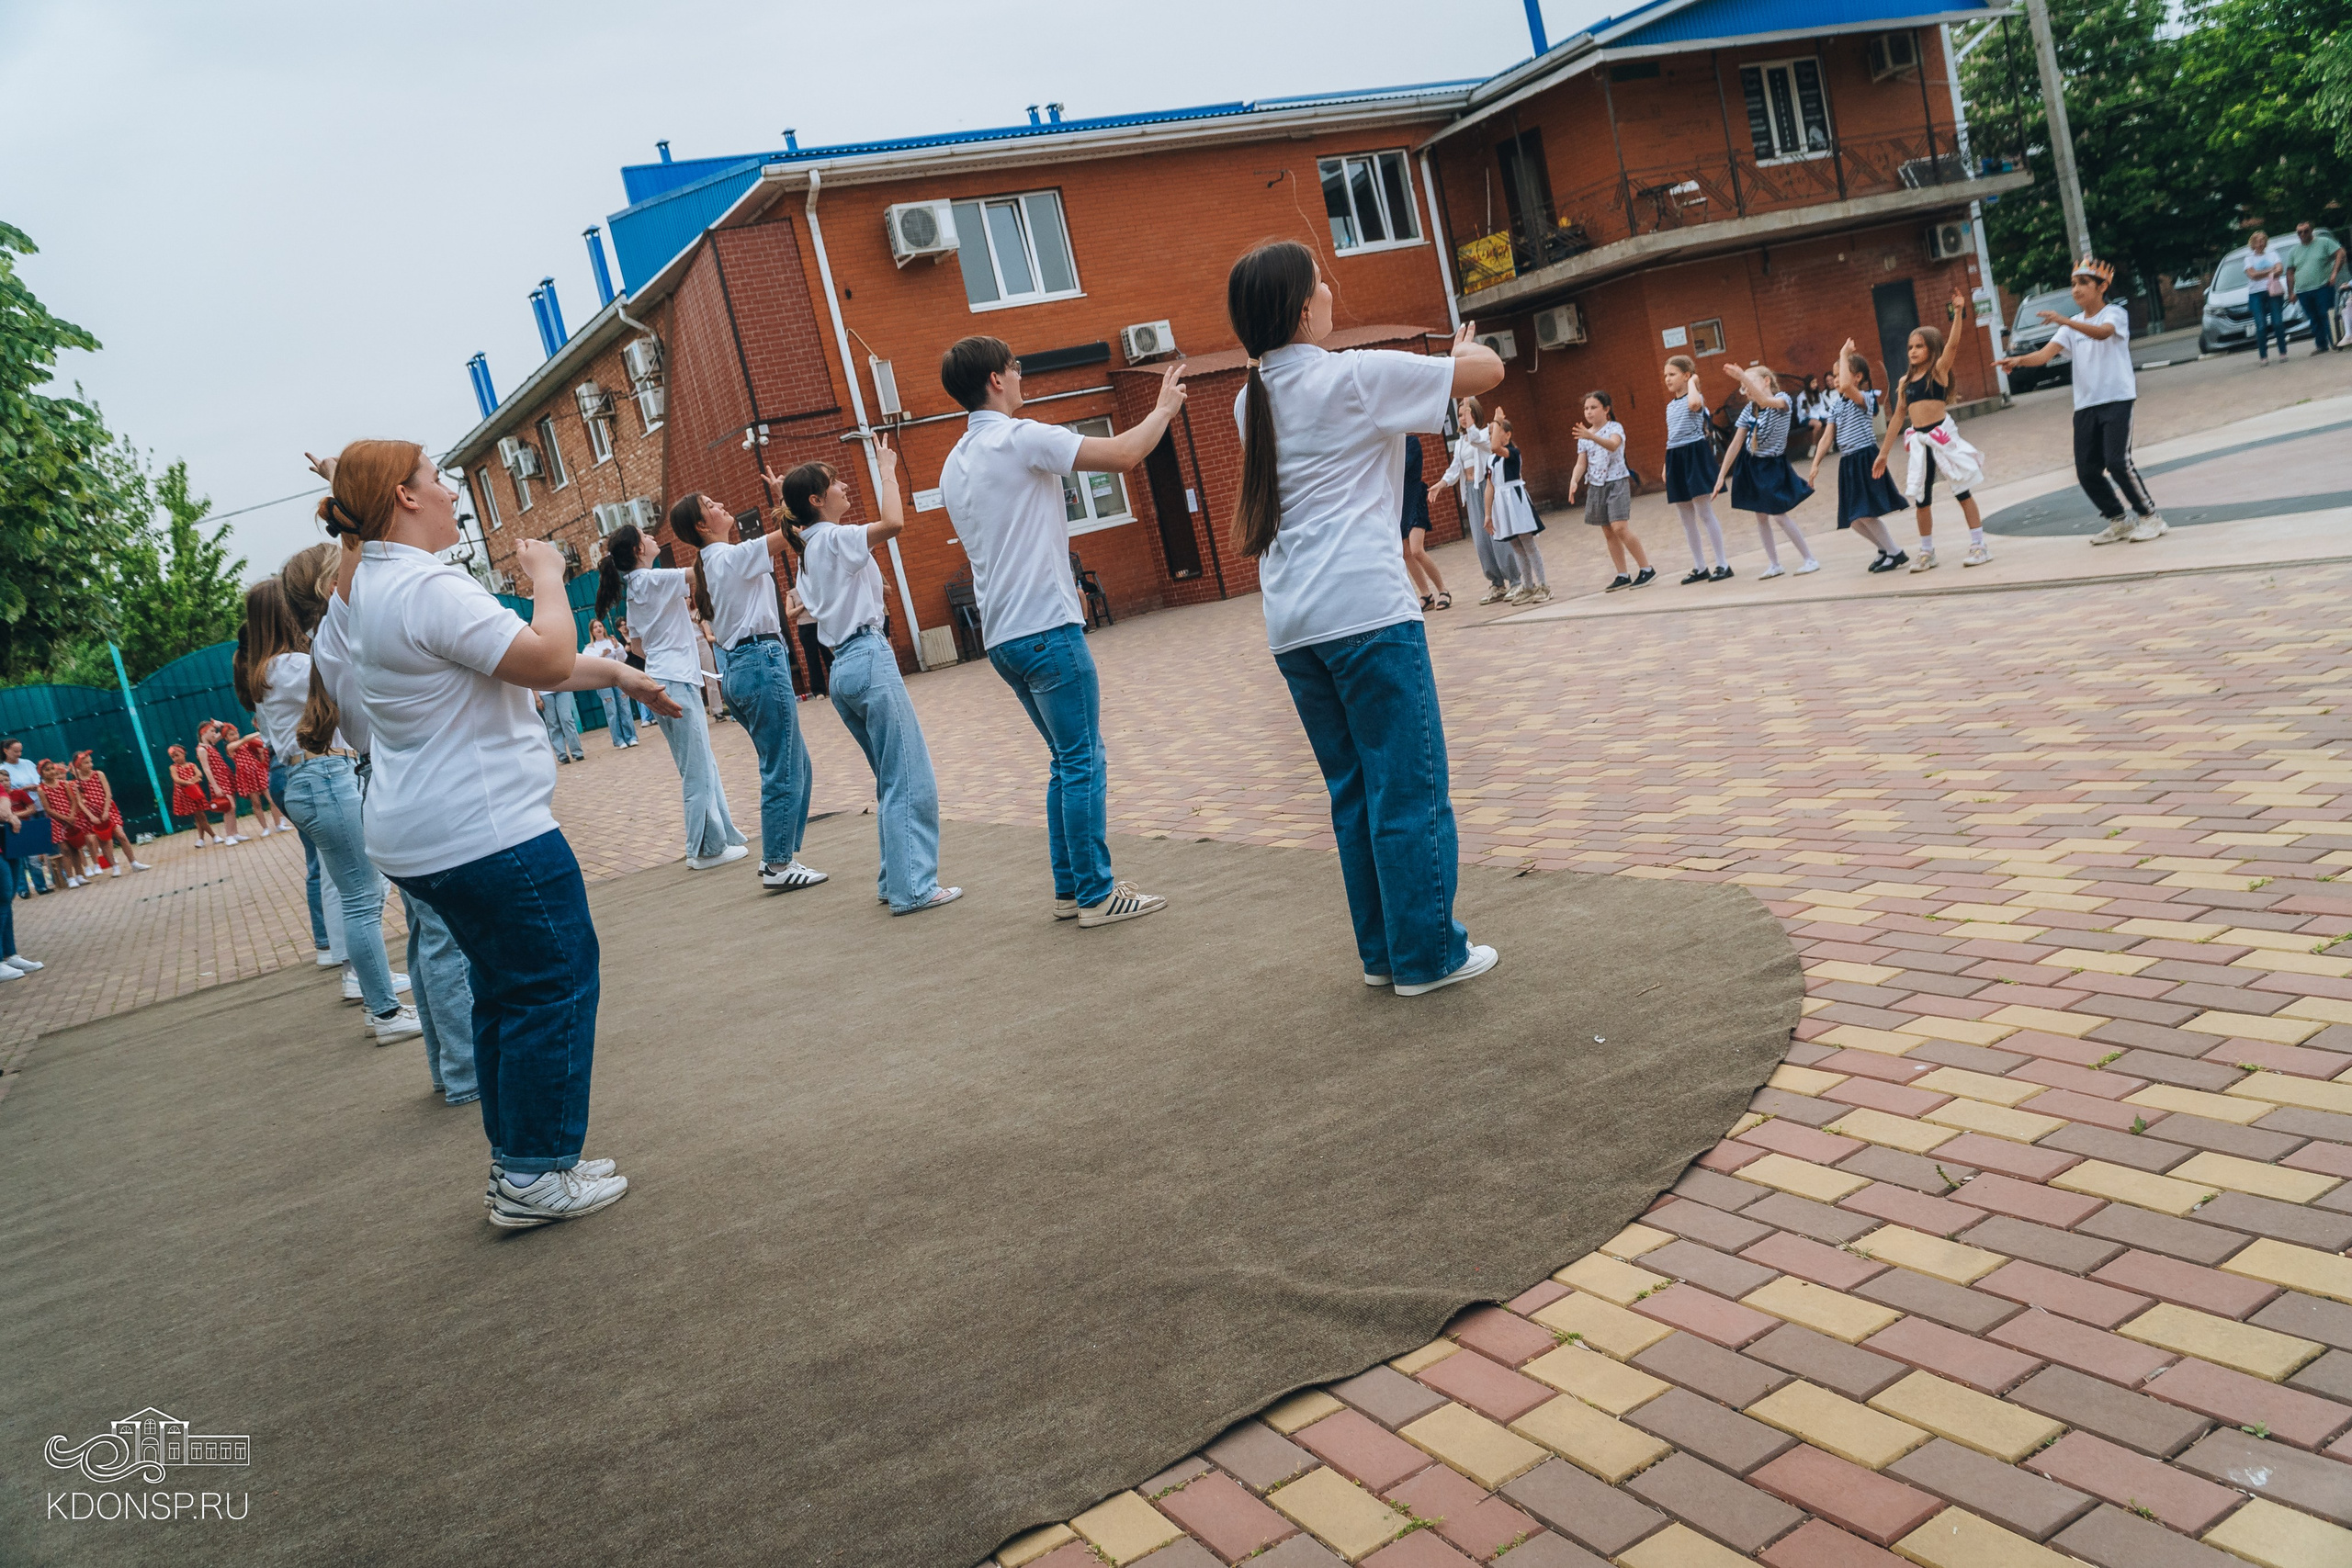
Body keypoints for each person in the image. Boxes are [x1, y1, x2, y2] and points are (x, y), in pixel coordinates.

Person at [332, 437, 678, 1227]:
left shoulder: (375, 586)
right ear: (405, 497)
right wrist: (550, 577)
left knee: (505, 992)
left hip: (428, 833)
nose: (453, 491)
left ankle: (525, 1160)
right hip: (485, 831)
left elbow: (520, 662)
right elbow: (552, 656)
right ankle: (533, 1174)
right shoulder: (429, 588)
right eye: (437, 480)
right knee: (552, 981)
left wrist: (623, 673)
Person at [1225, 239, 1504, 995]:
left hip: (1294, 622)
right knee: (1407, 787)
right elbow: (1488, 373)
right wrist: (1452, 356)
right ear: (1299, 305)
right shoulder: (1352, 374)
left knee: (1355, 791)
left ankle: (1386, 953)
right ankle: (1429, 956)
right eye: (1320, 280)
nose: (1331, 287)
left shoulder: (1250, 400)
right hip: (1367, 612)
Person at [937, 334, 1183, 928]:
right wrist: (1164, 409)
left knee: (1064, 759)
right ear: (996, 380)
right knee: (1083, 759)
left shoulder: (953, 462)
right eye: (1015, 368)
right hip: (1047, 627)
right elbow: (1125, 455)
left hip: (1002, 636)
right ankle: (1097, 894)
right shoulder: (1023, 438)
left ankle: (1072, 890)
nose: (1022, 376)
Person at [284, 517, 479, 1108]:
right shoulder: (340, 630)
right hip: (390, 777)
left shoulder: (334, 637)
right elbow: (355, 555)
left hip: (375, 778)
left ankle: (451, 1068)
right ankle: (467, 1072)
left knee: (427, 934)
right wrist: (352, 503)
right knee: (442, 936)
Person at [234, 572, 420, 1040]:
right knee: (361, 898)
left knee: (359, 893)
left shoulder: (269, 669)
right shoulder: (292, 667)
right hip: (323, 777)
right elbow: (349, 676)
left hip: (311, 780)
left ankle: (374, 987)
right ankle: (384, 1012)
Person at [779, 445, 961, 913]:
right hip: (867, 659)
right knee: (908, 777)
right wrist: (885, 469)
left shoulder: (810, 549)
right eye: (835, 482)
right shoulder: (834, 538)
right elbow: (895, 524)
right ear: (818, 500)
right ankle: (913, 888)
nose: (843, 486)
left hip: (843, 666)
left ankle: (894, 880)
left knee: (890, 778)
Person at [673, 484, 827, 891]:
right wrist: (785, 497)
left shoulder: (716, 560)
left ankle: (780, 856)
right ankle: (778, 863)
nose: (721, 503)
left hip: (744, 666)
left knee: (796, 766)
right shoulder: (729, 556)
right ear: (701, 525)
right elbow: (793, 531)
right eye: (711, 505)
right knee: (782, 767)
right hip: (758, 662)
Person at [594, 524, 747, 870]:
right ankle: (705, 849)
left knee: (700, 763)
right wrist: (713, 538)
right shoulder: (651, 579)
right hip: (674, 681)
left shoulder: (636, 588)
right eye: (646, 537)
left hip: (663, 678)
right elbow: (702, 571)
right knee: (698, 768)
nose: (652, 539)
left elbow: (638, 647)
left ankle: (723, 836)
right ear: (637, 550)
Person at [1998, 258, 2168, 547]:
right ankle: (2119, 520)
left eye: (2083, 283)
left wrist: (2065, 320)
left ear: (2101, 287)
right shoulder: (2071, 326)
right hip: (2086, 405)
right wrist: (2017, 360)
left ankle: (2151, 517)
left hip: (2116, 399)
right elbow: (2043, 356)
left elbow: (2103, 334)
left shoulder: (2114, 314)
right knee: (2086, 471)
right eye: (2073, 283)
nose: (2075, 289)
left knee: (2117, 462)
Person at [1878, 290, 1991, 570]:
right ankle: (1927, 551)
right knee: (1921, 498)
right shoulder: (1904, 381)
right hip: (1920, 443)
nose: (1913, 351)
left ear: (1931, 349)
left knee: (1962, 491)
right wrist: (1883, 454)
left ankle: (1979, 545)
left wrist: (1958, 313)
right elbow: (1897, 419)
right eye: (1910, 347)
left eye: (1919, 346)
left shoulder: (1938, 372)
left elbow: (1953, 346)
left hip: (1942, 437)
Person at [1807, 343, 1911, 571]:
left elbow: (1845, 385)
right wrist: (1815, 463)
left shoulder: (1864, 398)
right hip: (1848, 462)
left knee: (1865, 512)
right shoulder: (1836, 405)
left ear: (1858, 377)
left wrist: (1843, 353)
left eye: (1840, 373)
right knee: (1854, 520)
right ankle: (1885, 549)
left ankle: (1896, 553)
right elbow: (1826, 437)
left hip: (1865, 457)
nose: (1836, 380)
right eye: (1834, 375)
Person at [1711, 362, 1818, 579]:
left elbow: (1765, 400)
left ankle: (1810, 559)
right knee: (1760, 516)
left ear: (1767, 381)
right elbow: (1735, 444)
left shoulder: (1783, 400)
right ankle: (1774, 564)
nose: (1746, 389)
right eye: (1743, 387)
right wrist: (1721, 476)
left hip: (1772, 464)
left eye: (1749, 383)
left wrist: (1742, 376)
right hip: (1752, 465)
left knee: (1778, 515)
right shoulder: (1750, 410)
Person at [1568, 391, 1653, 591]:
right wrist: (1574, 481)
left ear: (1606, 409)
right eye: (1586, 408)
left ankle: (1647, 569)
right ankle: (1622, 575)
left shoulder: (1615, 427)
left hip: (1617, 482)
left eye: (1593, 407)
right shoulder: (1584, 436)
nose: (1588, 412)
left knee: (1619, 528)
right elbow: (1581, 463)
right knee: (1608, 532)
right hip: (1597, 485)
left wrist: (1591, 436)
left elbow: (1614, 445)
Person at [1660, 355, 1732, 582]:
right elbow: (1673, 435)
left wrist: (1693, 382)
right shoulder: (1670, 406)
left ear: (1686, 375)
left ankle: (1722, 564)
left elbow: (1693, 404)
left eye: (1672, 374)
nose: (1667, 379)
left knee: (1704, 512)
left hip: (1694, 455)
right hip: (1676, 456)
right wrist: (1666, 464)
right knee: (1686, 517)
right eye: (1665, 375)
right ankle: (1700, 567)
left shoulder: (1696, 397)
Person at [1440, 400, 1515, 604]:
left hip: (1487, 488)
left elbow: (1478, 441)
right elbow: (1455, 469)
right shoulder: (1460, 443)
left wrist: (1472, 423)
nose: (1463, 417)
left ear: (1476, 414)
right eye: (1461, 414)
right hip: (1471, 493)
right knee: (1482, 542)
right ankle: (1496, 583)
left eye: (1467, 413)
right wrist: (1441, 484)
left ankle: (1515, 581)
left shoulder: (1484, 434)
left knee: (1498, 535)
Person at [1484, 412, 1549, 604]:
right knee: (1516, 545)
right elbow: (1490, 486)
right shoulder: (1491, 460)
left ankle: (1543, 585)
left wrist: (1497, 419)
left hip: (1515, 499)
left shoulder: (1512, 453)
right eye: (1490, 433)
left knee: (1527, 542)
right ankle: (1528, 586)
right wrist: (1488, 514)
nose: (1492, 436)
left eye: (1496, 431)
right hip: (1502, 503)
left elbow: (1496, 446)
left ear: (1508, 434)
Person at [70, 752, 148, 874]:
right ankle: (115, 867)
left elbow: (108, 793)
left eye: (91, 762)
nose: (90, 764)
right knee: (104, 841)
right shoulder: (76, 784)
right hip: (93, 815)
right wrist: (91, 817)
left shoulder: (99, 774)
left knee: (120, 834)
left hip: (108, 810)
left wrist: (106, 810)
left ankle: (133, 862)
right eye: (86, 763)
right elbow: (79, 802)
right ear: (78, 766)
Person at [1399, 434, 1450, 610]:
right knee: (1406, 552)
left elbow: (1402, 467)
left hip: (1414, 497)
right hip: (1399, 502)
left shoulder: (1411, 442)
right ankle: (1426, 595)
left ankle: (1443, 590)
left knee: (1416, 550)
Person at [4, 739, 54, 897]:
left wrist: (34, 788)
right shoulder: (3, 768)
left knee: (38, 852)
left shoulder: (27, 763)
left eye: (20, 750)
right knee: (18, 856)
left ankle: (43, 884)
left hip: (36, 809)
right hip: (12, 820)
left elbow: (41, 782)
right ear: (5, 751)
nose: (19, 754)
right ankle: (22, 889)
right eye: (15, 751)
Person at [38, 760, 95, 885]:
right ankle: (70, 878)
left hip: (71, 818)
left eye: (52, 769)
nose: (51, 772)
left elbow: (73, 801)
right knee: (65, 849)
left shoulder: (64, 784)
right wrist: (63, 818)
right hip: (56, 821)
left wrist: (71, 816)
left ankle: (80, 875)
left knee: (75, 847)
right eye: (47, 770)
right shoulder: (41, 789)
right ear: (41, 773)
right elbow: (47, 809)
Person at [582, 620, 639, 746]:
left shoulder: (612, 641)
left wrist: (617, 648)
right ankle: (618, 740)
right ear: (592, 631)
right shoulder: (589, 648)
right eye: (595, 627)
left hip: (618, 678)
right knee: (611, 710)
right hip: (603, 681)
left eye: (600, 626)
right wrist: (601, 656)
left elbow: (623, 658)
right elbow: (589, 665)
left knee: (625, 707)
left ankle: (631, 737)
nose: (598, 629)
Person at [0, 787, 37, 980]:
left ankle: (10, 955)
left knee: (7, 897)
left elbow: (3, 802)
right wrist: (9, 816)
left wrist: (8, 815)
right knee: (3, 894)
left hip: (6, 839)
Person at [2292, 220, 2343, 354]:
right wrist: (2291, 291)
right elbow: (2290, 271)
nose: (2302, 234)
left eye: (2305, 231)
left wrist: (2334, 273)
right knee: (2313, 318)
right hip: (2303, 290)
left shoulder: (2323, 242)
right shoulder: (2294, 250)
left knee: (2326, 315)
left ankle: (2336, 341)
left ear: (2311, 231)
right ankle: (2321, 345)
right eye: (2299, 232)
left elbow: (2340, 253)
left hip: (2323, 286)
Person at [2244, 232, 2290, 364]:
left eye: (2263, 240)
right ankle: (2263, 356)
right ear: (2252, 243)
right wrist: (2271, 271)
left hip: (2273, 291)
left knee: (2277, 322)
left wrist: (2264, 273)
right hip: (2256, 293)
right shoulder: (2248, 259)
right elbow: (2252, 275)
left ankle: (2282, 352)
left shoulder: (2273, 254)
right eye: (2257, 241)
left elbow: (2280, 269)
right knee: (2261, 325)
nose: (2260, 244)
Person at [195, 722, 247, 842]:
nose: (214, 734)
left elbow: (223, 734)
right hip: (218, 779)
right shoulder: (202, 749)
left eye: (214, 731)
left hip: (226, 776)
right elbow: (206, 769)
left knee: (233, 806)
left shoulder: (211, 745)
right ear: (203, 732)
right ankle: (229, 836)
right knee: (229, 807)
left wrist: (220, 724)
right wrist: (215, 787)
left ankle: (234, 833)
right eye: (211, 731)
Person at [166, 746, 218, 846]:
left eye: (177, 755)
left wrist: (193, 780)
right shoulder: (173, 767)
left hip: (195, 793)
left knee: (198, 817)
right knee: (200, 816)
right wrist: (189, 782)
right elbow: (176, 779)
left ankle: (201, 839)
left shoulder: (192, 765)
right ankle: (214, 836)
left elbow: (199, 774)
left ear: (184, 753)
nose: (176, 758)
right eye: (173, 757)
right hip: (185, 795)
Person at [785, 584, 830, 697]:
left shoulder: (815, 587)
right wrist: (803, 606)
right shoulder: (792, 593)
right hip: (805, 627)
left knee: (829, 655)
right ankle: (819, 691)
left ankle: (837, 685)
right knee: (812, 658)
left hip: (820, 624)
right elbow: (789, 613)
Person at [538, 689, 585, 762]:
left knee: (567, 719)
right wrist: (537, 699)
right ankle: (562, 755)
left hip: (562, 688)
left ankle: (577, 752)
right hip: (544, 693)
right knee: (553, 724)